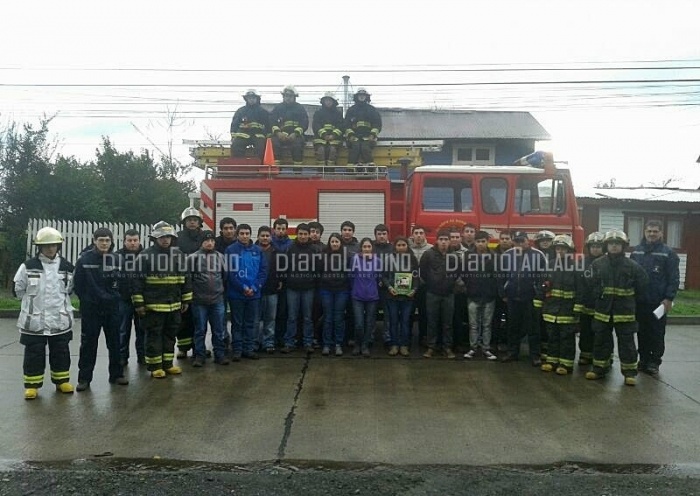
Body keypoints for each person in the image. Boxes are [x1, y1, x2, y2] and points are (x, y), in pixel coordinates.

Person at [13, 227, 76, 400]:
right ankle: (32, 386)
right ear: (39, 247)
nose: (50, 249)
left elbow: (69, 290)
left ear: (58, 246)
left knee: (61, 352)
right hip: (35, 322)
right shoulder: (27, 267)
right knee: (34, 354)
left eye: (53, 245)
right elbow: (18, 289)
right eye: (46, 246)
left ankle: (62, 381)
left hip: (59, 320)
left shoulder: (67, 267)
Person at [586, 230, 648, 386]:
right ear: (606, 245)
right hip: (603, 311)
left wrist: (630, 301)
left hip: (624, 312)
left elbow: (643, 286)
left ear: (623, 246)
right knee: (601, 341)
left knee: (627, 343)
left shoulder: (633, 266)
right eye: (611, 244)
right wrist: (598, 296)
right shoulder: (597, 264)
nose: (614, 246)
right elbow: (590, 284)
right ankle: (599, 369)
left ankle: (629, 373)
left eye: (617, 244)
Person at [132, 221, 193, 379]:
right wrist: (139, 304)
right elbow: (137, 281)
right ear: (155, 238)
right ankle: (155, 366)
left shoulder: (178, 255)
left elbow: (185, 278)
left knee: (170, 336)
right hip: (153, 306)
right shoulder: (145, 256)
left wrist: (186, 300)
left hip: (173, 305)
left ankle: (167, 364)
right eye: (162, 237)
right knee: (154, 336)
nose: (165, 240)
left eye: (168, 237)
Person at [73, 227, 127, 391]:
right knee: (88, 344)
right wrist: (88, 301)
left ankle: (116, 375)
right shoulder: (84, 260)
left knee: (115, 343)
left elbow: (123, 283)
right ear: (94, 241)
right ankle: (84, 379)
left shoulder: (117, 260)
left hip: (112, 309)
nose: (104, 243)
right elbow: (78, 285)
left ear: (111, 242)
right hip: (91, 310)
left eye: (107, 240)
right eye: (101, 240)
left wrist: (116, 298)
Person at [630, 220, 680, 376]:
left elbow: (674, 278)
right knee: (642, 332)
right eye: (649, 231)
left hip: (659, 303)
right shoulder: (636, 252)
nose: (652, 234)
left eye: (655, 231)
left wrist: (669, 298)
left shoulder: (668, 253)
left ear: (661, 233)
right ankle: (643, 360)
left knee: (657, 333)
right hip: (640, 301)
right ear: (644, 232)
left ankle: (654, 362)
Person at [536, 235, 585, 375]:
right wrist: (539, 304)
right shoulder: (549, 265)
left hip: (568, 310)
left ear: (569, 251)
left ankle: (566, 364)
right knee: (552, 337)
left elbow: (580, 289)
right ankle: (552, 361)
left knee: (567, 338)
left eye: (563, 249)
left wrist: (577, 308)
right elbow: (542, 285)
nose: (560, 251)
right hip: (551, 309)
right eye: (558, 248)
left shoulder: (576, 268)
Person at [499, 231, 547, 366]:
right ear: (513, 242)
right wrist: (503, 293)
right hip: (512, 297)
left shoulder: (539, 255)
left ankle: (535, 356)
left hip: (531, 298)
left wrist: (540, 294)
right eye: (517, 241)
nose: (520, 244)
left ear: (528, 241)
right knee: (512, 327)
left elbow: (544, 276)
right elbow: (501, 276)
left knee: (533, 328)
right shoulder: (507, 255)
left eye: (522, 241)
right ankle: (512, 353)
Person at [226, 224, 268, 361]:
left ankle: (248, 349)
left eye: (247, 233)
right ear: (237, 235)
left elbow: (263, 271)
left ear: (251, 234)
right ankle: (237, 350)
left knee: (251, 323)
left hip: (254, 295)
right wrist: (243, 288)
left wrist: (255, 287)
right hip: (236, 294)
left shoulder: (258, 250)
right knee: (237, 323)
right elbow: (230, 273)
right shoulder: (230, 250)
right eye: (242, 233)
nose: (245, 236)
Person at [187, 230, 228, 367]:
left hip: (217, 300)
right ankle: (200, 355)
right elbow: (188, 279)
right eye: (206, 241)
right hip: (199, 301)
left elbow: (224, 276)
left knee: (218, 329)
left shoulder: (221, 257)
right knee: (200, 330)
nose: (209, 243)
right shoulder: (193, 258)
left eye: (212, 241)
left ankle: (220, 355)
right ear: (201, 242)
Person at [420, 230, 460, 359]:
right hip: (432, 293)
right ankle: (431, 347)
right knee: (432, 321)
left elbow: (458, 273)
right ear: (437, 240)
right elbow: (423, 273)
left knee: (447, 322)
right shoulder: (428, 254)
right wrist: (432, 283)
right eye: (441, 239)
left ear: (449, 241)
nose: (443, 242)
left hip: (448, 294)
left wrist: (450, 285)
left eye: (446, 239)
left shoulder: (455, 256)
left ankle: (447, 347)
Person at [281, 223, 318, 353]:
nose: (303, 236)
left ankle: (308, 342)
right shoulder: (290, 248)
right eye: (301, 234)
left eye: (305, 234)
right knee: (292, 317)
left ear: (309, 235)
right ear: (297, 234)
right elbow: (284, 266)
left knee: (308, 317)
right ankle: (289, 342)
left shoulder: (314, 249)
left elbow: (318, 268)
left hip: (309, 288)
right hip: (292, 288)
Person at [463, 231, 499, 361]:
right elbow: (464, 273)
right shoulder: (468, 256)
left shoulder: (494, 256)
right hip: (473, 296)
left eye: (483, 241)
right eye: (478, 241)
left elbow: (497, 276)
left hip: (489, 296)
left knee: (487, 324)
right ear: (475, 242)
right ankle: (473, 348)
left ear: (487, 242)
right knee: (473, 324)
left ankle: (486, 349)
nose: (480, 244)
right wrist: (470, 287)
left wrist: (493, 290)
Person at [382, 237, 419, 357]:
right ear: (395, 247)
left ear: (407, 246)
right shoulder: (388, 259)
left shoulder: (412, 259)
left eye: (404, 245)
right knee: (393, 321)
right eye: (399, 245)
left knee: (405, 321)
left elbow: (416, 278)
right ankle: (394, 345)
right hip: (392, 296)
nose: (401, 247)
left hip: (408, 297)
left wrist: (414, 289)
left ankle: (404, 345)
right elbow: (384, 276)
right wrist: (389, 287)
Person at [175, 207, 204, 360]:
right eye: (189, 220)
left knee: (199, 318)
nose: (192, 222)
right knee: (183, 317)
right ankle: (183, 348)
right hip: (183, 282)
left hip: (201, 283)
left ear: (199, 222)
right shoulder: (177, 238)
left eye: (195, 220)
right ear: (184, 222)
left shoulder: (204, 237)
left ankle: (198, 347)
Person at [116, 229, 145, 366]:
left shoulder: (146, 255)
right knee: (123, 330)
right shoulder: (117, 257)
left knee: (142, 330)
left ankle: (142, 356)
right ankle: (122, 357)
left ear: (139, 240)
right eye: (129, 240)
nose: (133, 243)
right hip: (124, 299)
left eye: (135, 240)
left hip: (143, 299)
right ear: (124, 241)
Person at [319, 233, 351, 356]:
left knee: (339, 318)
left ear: (340, 243)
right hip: (326, 290)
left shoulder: (347, 256)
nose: (335, 244)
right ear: (329, 243)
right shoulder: (323, 256)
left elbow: (349, 273)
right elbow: (319, 272)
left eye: (337, 242)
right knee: (328, 317)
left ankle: (338, 344)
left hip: (342, 291)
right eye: (332, 242)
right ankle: (327, 344)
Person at [350, 238, 382, 357]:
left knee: (369, 323)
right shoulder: (355, 259)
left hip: (372, 297)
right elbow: (351, 276)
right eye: (364, 247)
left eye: (369, 247)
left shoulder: (378, 261)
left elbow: (379, 277)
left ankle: (365, 345)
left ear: (372, 248)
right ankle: (357, 344)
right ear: (361, 248)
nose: (367, 249)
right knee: (358, 323)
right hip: (357, 296)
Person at [578, 231, 606, 366]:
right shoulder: (581, 263)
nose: (595, 249)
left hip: (603, 304)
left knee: (602, 332)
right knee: (585, 330)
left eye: (598, 246)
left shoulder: (608, 263)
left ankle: (604, 357)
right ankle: (585, 355)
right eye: (593, 246)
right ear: (588, 247)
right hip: (586, 303)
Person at [256, 226, 282, 354]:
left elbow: (281, 270)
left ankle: (268, 342)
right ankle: (255, 342)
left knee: (270, 318)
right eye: (262, 235)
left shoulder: (276, 252)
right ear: (258, 237)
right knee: (256, 318)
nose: (265, 238)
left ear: (271, 237)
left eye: (267, 236)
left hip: (272, 291)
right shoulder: (252, 251)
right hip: (256, 291)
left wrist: (280, 281)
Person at [270, 85, 309, 167]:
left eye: (290, 96)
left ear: (294, 97)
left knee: (298, 146)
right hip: (280, 135)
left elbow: (304, 123)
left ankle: (297, 172)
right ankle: (277, 170)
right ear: (283, 96)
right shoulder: (278, 108)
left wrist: (295, 133)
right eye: (286, 96)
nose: (288, 98)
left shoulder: (300, 108)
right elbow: (272, 121)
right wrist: (278, 133)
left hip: (296, 135)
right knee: (274, 143)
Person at [344, 88, 382, 169]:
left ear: (366, 97)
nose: (361, 97)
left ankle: (370, 168)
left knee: (365, 148)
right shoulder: (351, 110)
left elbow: (377, 124)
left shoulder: (372, 110)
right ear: (356, 97)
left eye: (363, 95)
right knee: (355, 148)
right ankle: (350, 168)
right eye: (360, 95)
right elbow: (346, 124)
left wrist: (372, 134)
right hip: (354, 137)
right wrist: (350, 135)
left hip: (368, 137)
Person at [230, 89, 270, 161]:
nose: (251, 100)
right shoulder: (240, 111)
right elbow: (234, 125)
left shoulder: (263, 112)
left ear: (257, 99)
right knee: (236, 146)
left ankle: (258, 166)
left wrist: (267, 137)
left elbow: (268, 125)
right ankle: (239, 165)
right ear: (246, 99)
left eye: (253, 98)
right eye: (249, 98)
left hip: (258, 135)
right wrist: (233, 136)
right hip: (243, 135)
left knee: (261, 148)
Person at [312, 92, 344, 167]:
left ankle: (330, 171)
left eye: (330, 100)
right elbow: (316, 125)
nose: (328, 102)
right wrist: (324, 135)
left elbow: (341, 126)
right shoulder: (318, 113)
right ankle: (321, 172)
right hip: (320, 139)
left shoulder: (338, 114)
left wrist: (333, 135)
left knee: (332, 151)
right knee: (321, 151)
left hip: (334, 139)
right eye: (326, 100)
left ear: (333, 102)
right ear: (323, 102)